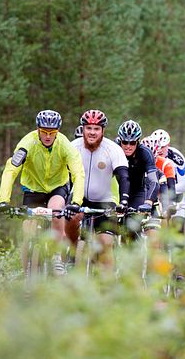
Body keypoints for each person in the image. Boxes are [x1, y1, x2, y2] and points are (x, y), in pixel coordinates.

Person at [0, 110, 84, 275]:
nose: (48, 136)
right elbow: (11, 170)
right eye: (44, 131)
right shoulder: (27, 143)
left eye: (52, 132)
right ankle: (26, 274)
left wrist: (76, 202)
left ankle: (56, 256)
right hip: (33, 189)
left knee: (56, 211)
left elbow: (78, 173)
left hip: (57, 187)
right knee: (27, 231)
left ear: (58, 131)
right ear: (38, 129)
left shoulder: (64, 144)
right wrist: (3, 201)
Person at [69, 109, 130, 269]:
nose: (92, 132)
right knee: (70, 220)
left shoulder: (112, 149)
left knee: (106, 244)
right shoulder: (72, 147)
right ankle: (71, 254)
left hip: (104, 202)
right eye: (89, 128)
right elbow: (62, 175)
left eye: (96, 129)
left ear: (103, 130)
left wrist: (123, 200)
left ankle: (107, 287)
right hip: (78, 199)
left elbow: (123, 176)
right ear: (83, 129)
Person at [116, 120, 159, 239]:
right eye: (125, 142)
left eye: (132, 142)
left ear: (138, 141)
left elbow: (153, 181)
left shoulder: (145, 153)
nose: (128, 146)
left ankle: (135, 251)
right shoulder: (113, 149)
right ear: (120, 140)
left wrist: (148, 202)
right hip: (116, 191)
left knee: (132, 226)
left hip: (137, 192)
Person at [151, 129, 185, 228]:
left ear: (168, 145)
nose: (159, 150)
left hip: (176, 196)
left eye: (162, 147)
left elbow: (184, 185)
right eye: (157, 146)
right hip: (155, 196)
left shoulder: (177, 158)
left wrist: (164, 190)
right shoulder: (149, 155)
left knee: (178, 227)